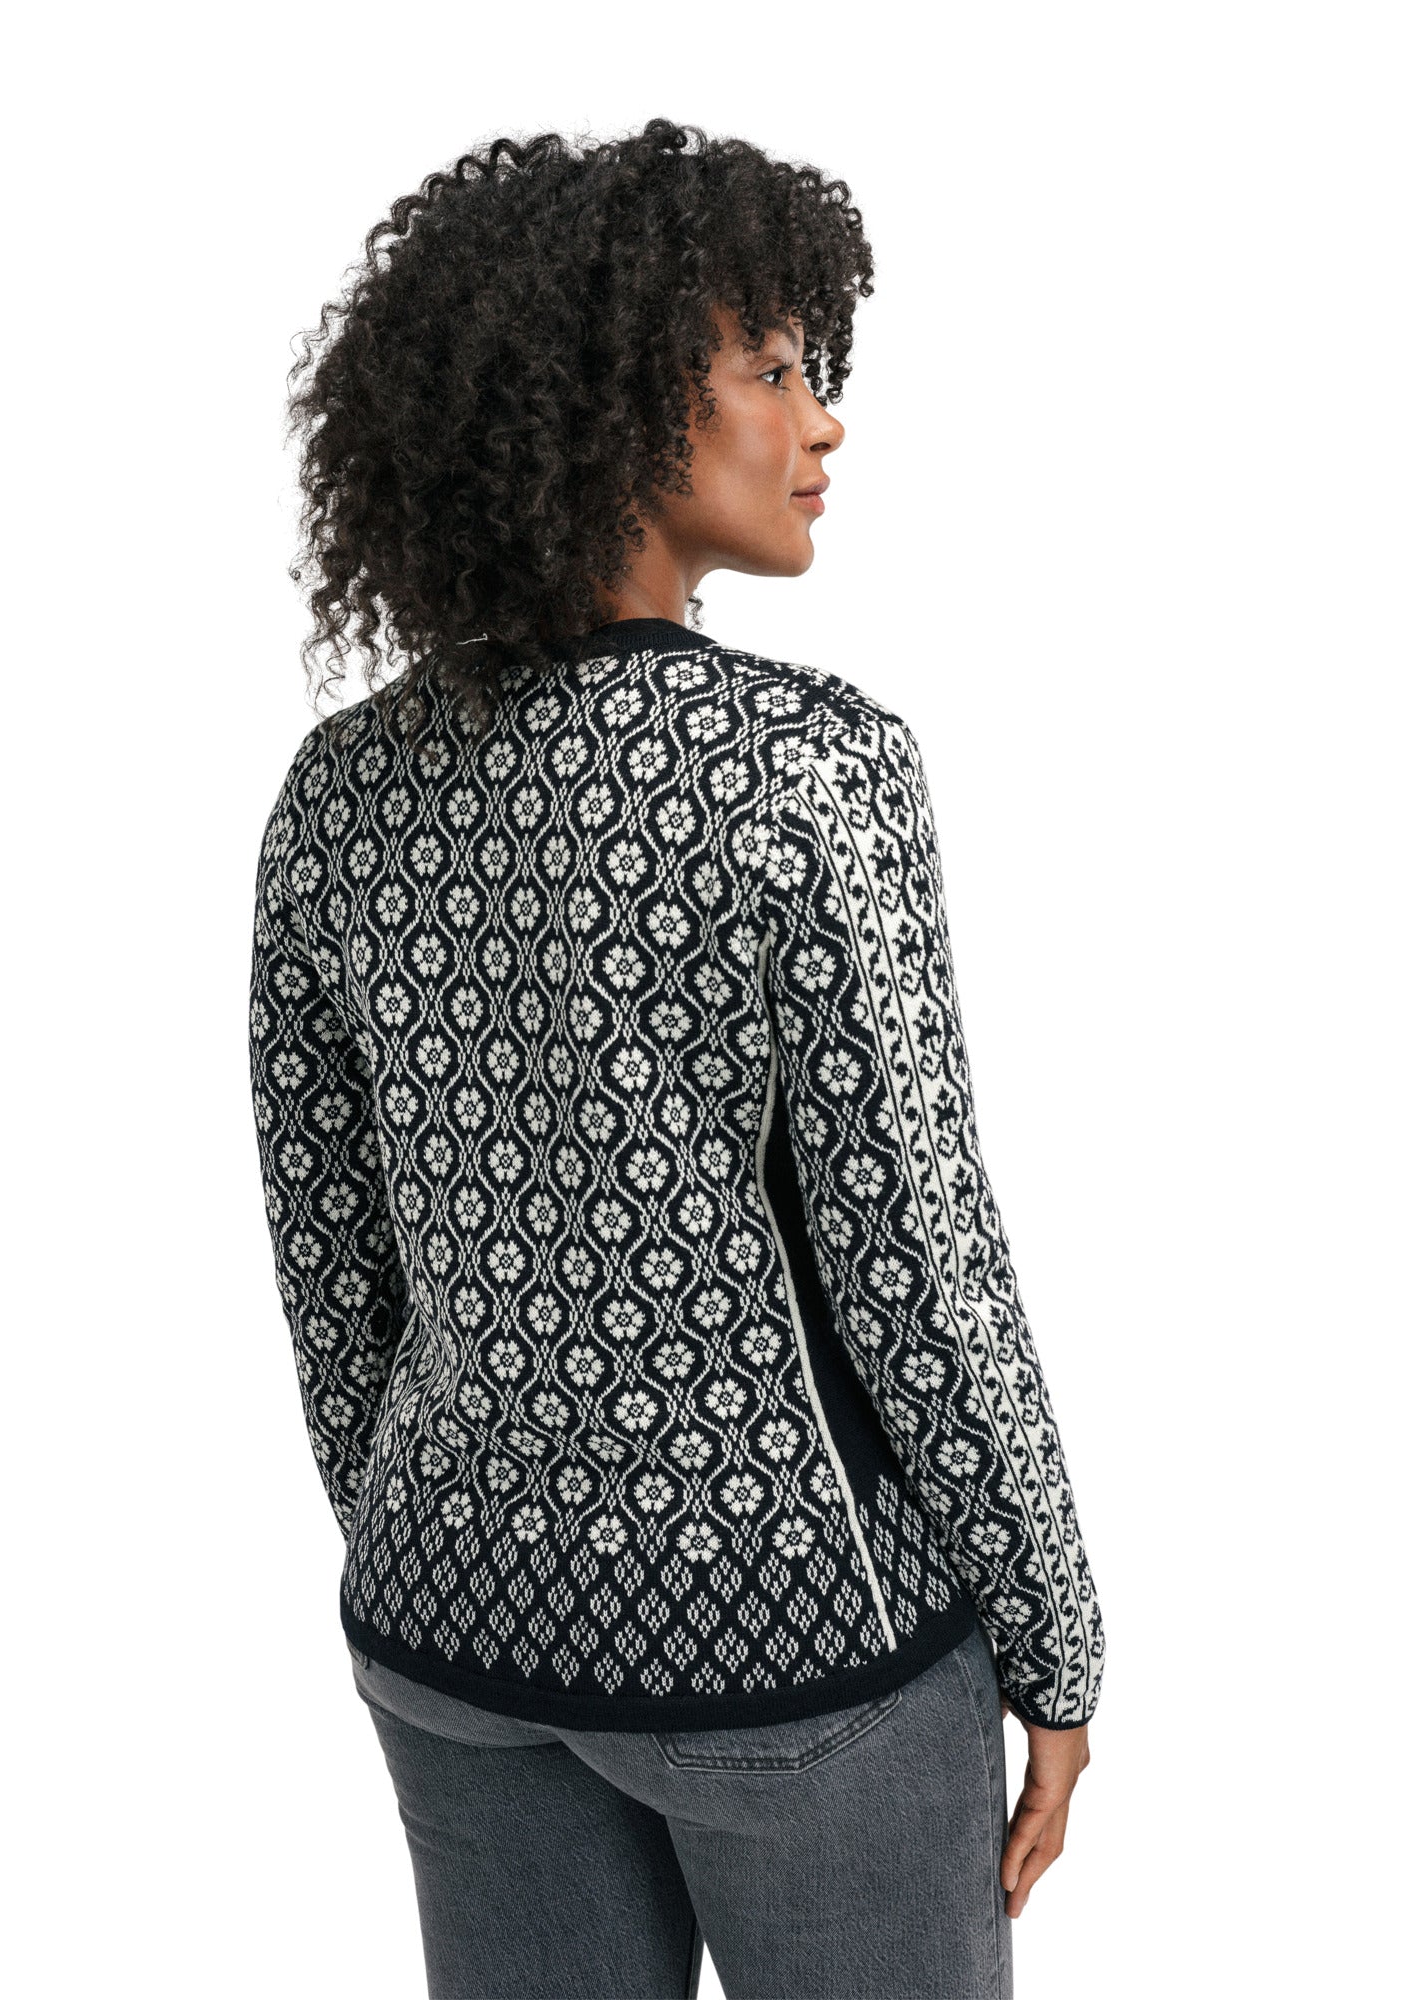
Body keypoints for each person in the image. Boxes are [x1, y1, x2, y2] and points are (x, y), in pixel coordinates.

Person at [248, 116, 1104, 2000]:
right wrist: (1056, 1631)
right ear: (624, 410)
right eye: (775, 372)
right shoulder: (809, 768)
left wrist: (447, 1532)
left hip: (449, 1631)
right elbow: (918, 1257)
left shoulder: (338, 792)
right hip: (796, 1649)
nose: (825, 423)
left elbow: (330, 1258)